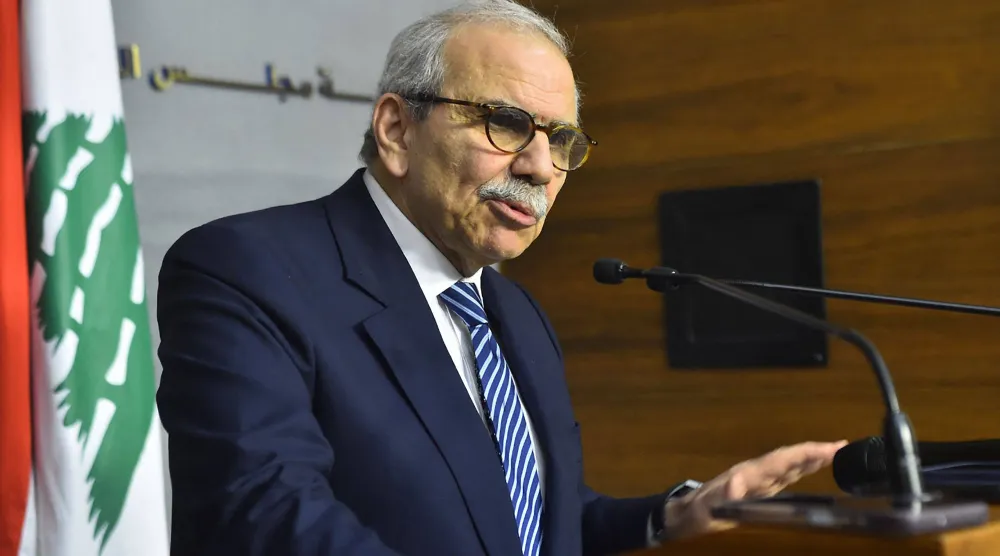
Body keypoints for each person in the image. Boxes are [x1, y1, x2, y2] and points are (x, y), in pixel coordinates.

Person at [154, 1, 847, 554]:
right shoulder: (246, 270)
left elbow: (532, 522)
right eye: (507, 124)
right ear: (397, 129)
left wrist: (673, 515)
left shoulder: (512, 314)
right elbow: (267, 518)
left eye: (562, 141)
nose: (542, 167)